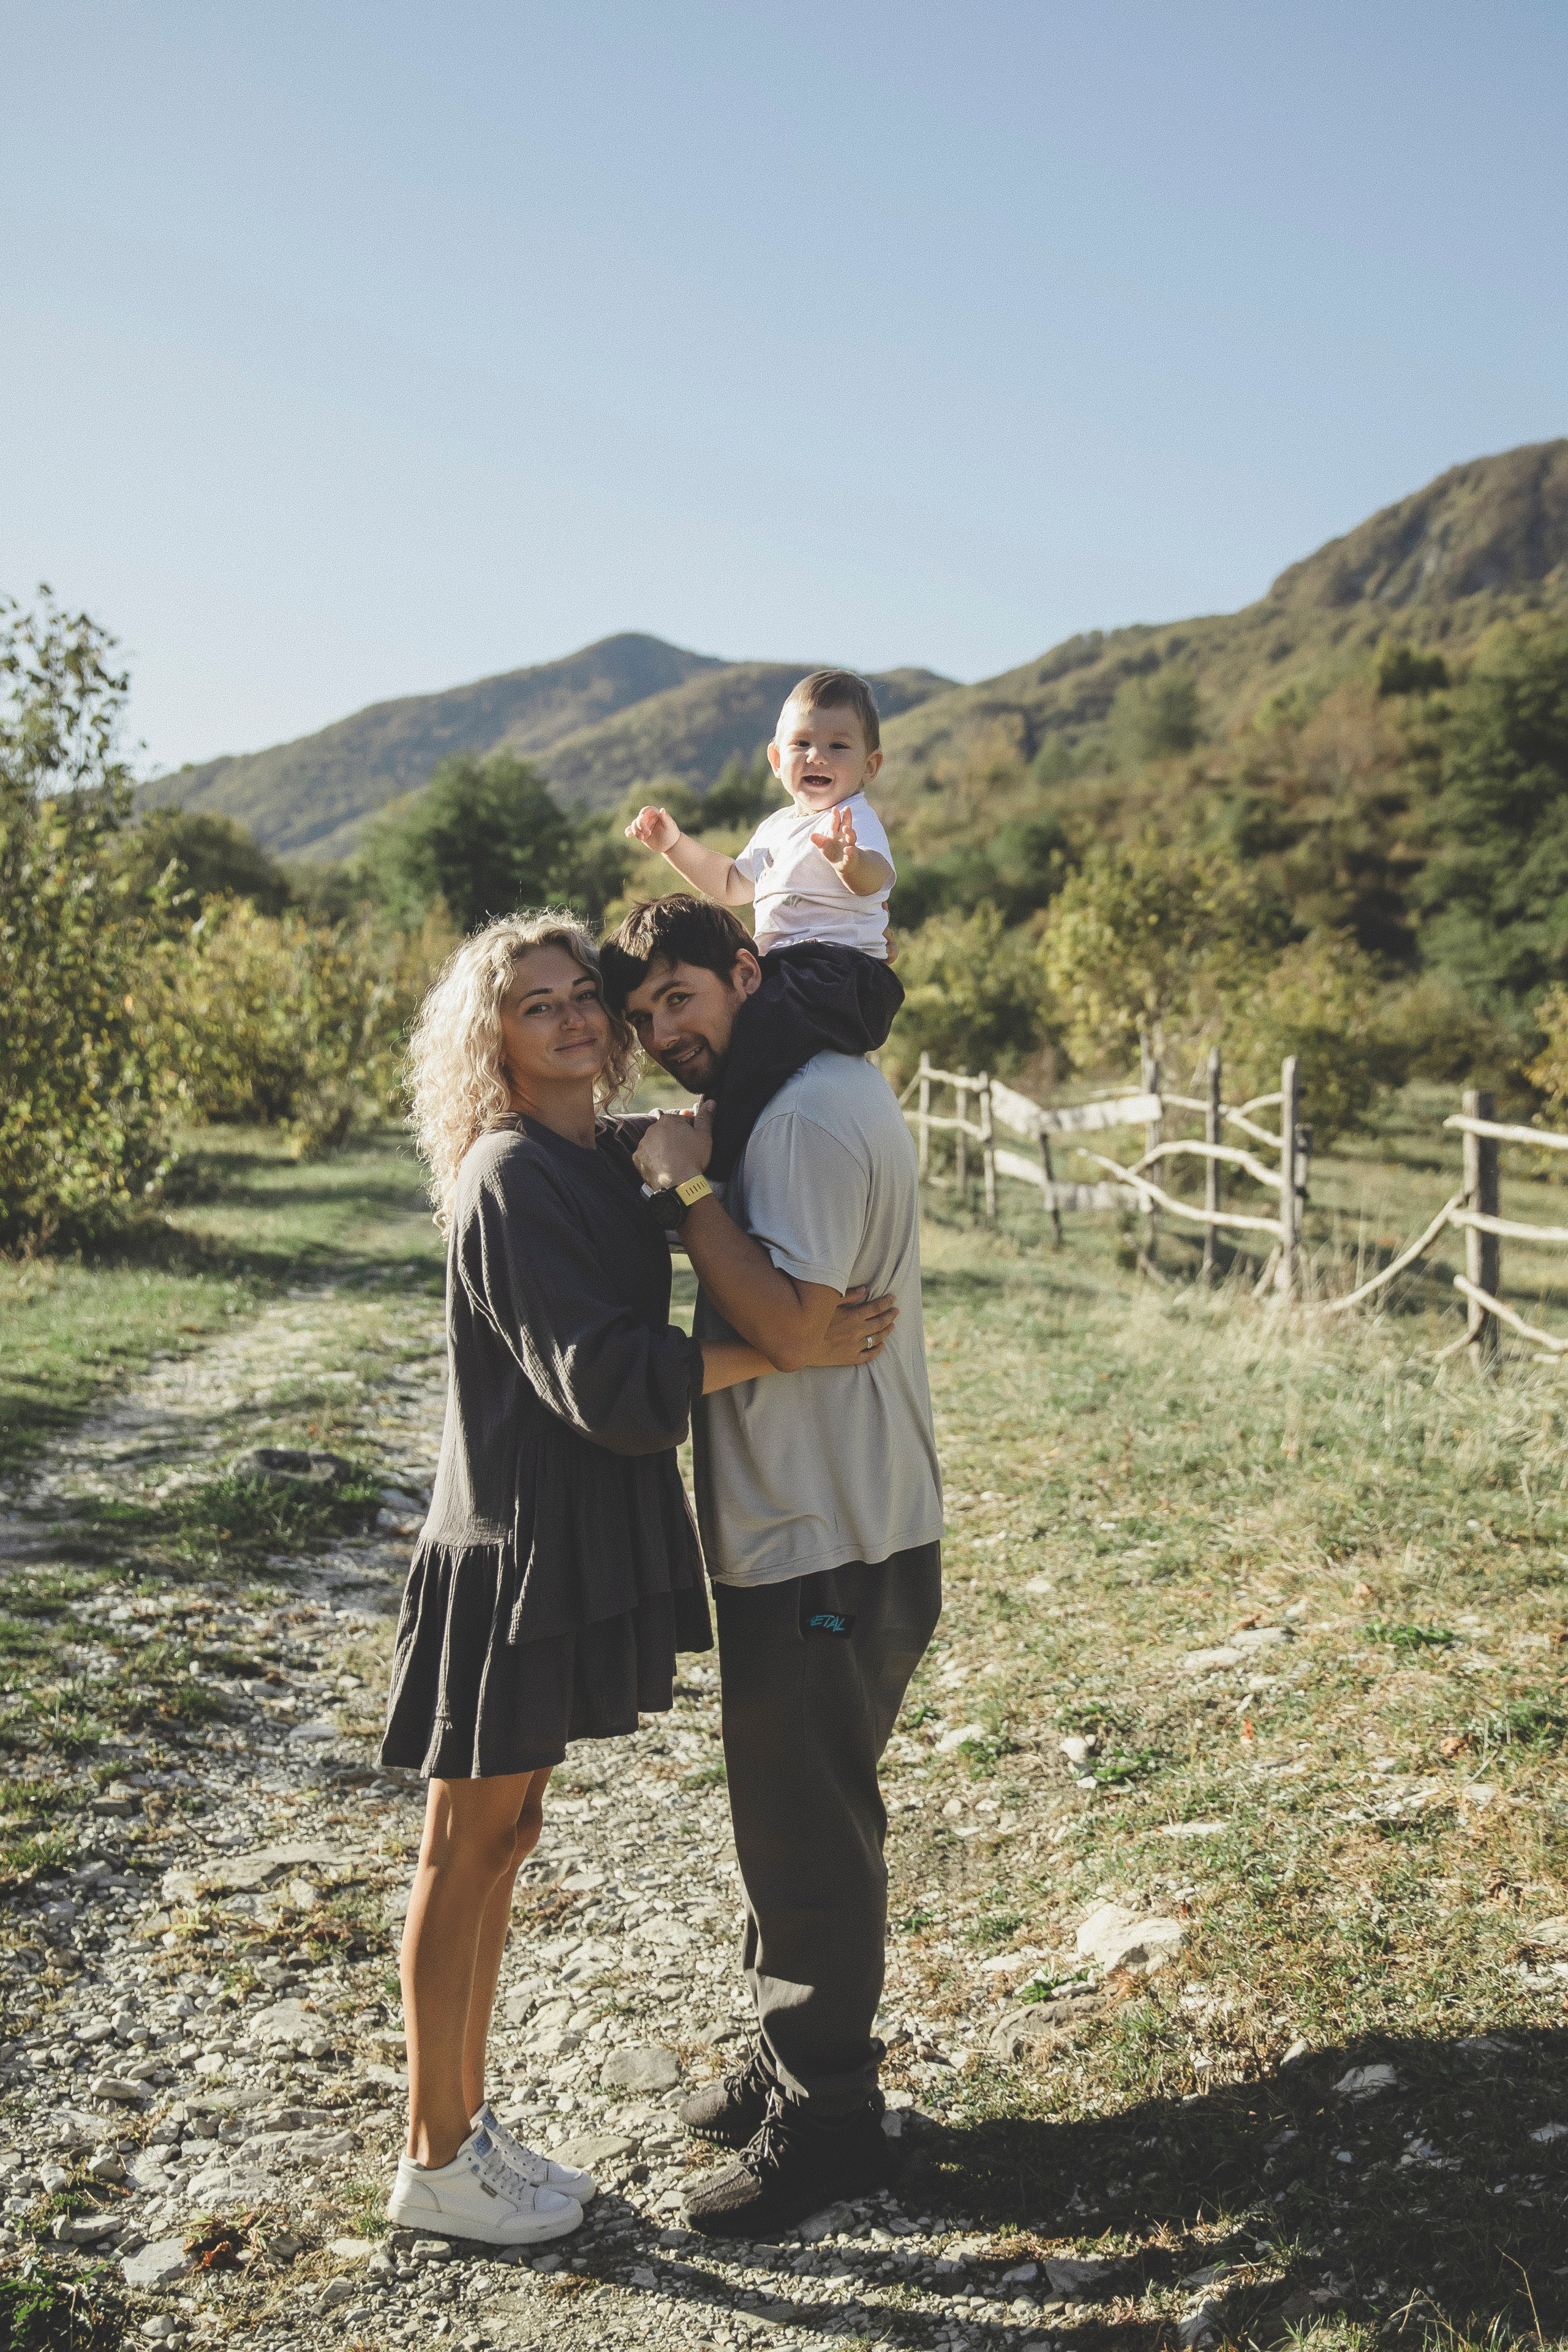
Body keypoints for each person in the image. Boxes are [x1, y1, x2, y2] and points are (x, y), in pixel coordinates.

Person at [379, 910, 897, 2247]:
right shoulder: (508, 1173)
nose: (572, 1020)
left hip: (566, 1538)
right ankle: (435, 2155)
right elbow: (607, 1385)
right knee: (464, 1841)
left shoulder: (598, 1154)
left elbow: (765, 1065)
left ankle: (462, 2124)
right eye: (533, 1005)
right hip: (509, 1545)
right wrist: (788, 1350)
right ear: (489, 1036)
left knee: (506, 1837)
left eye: (581, 999)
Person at [600, 895, 944, 2237]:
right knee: (789, 1813)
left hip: (823, 1530)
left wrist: (683, 1188)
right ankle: (786, 2052)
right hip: (841, 1516)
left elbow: (796, 1327)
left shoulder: (793, 1116)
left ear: (744, 972)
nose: (662, 1032)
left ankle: (829, 2123)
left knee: (806, 1833)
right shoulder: (808, 1078)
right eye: (640, 1019)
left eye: (679, 997)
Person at [623, 669, 904, 1180]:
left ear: (870, 766)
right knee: (737, 1033)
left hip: (838, 974)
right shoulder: (776, 828)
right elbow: (731, 883)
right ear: (777, 760)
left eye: (838, 746)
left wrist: (848, 862)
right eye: (802, 744)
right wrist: (673, 844)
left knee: (759, 1035)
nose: (817, 757)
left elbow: (878, 878)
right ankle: (718, 1128)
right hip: (789, 972)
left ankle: (720, 1152)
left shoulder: (851, 819)